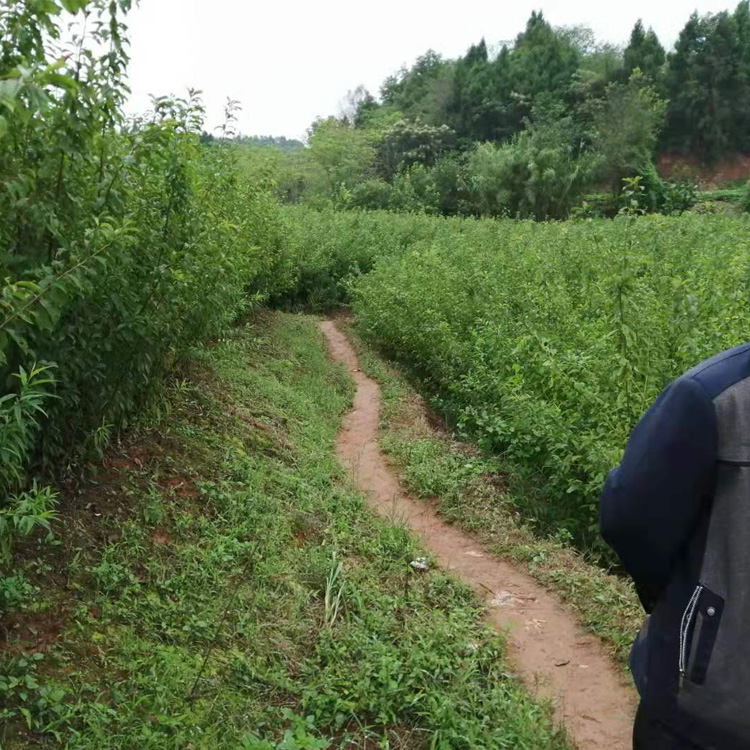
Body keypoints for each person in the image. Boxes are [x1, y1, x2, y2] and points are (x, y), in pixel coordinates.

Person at [600, 342, 750, 750]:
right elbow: (632, 519)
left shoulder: (713, 392)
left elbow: (629, 516)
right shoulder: (713, 399)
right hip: (703, 709)